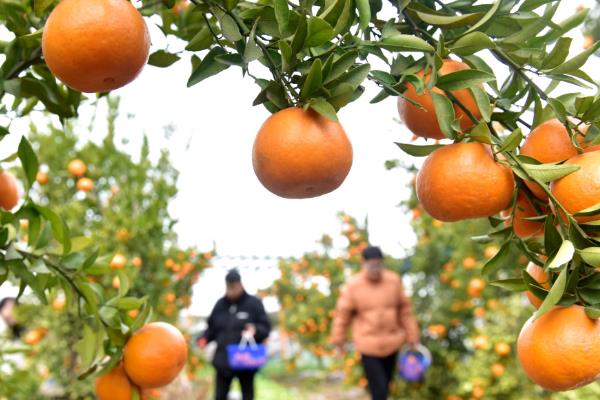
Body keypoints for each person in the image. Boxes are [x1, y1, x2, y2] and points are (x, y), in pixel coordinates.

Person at [330, 246, 420, 400]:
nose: (375, 269)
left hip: (392, 342)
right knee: (378, 390)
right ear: (363, 264)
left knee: (386, 385)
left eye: (378, 265)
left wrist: (413, 337)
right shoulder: (354, 286)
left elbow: (405, 312)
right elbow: (342, 315)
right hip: (368, 344)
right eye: (372, 266)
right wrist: (338, 340)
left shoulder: (393, 281)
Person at [198, 269, 271, 400]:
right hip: (223, 360)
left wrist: (255, 330)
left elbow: (265, 327)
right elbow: (212, 328)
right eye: (229, 287)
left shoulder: (254, 304)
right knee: (220, 395)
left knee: (247, 395)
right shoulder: (220, 305)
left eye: (234, 287)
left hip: (245, 361)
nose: (232, 290)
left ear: (240, 284)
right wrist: (204, 338)